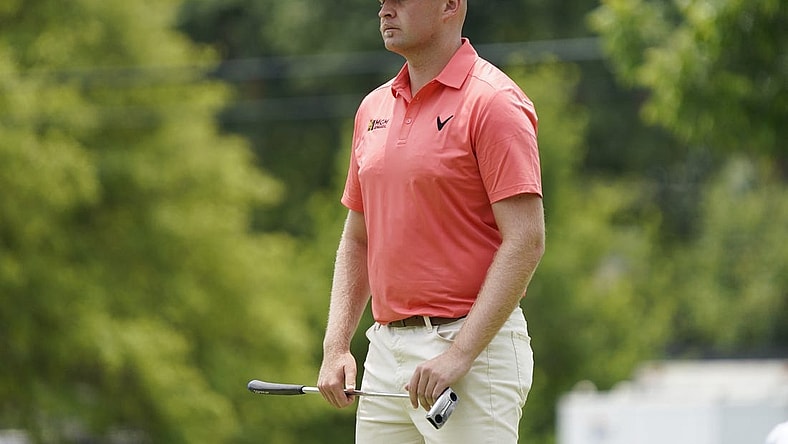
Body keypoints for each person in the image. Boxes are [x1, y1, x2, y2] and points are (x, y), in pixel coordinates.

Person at [317, 0, 545, 442]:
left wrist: (459, 355)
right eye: (382, 0)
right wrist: (336, 345)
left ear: (449, 5)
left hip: (473, 353)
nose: (385, 9)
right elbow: (359, 240)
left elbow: (526, 241)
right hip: (384, 351)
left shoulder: (494, 102)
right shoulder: (372, 108)